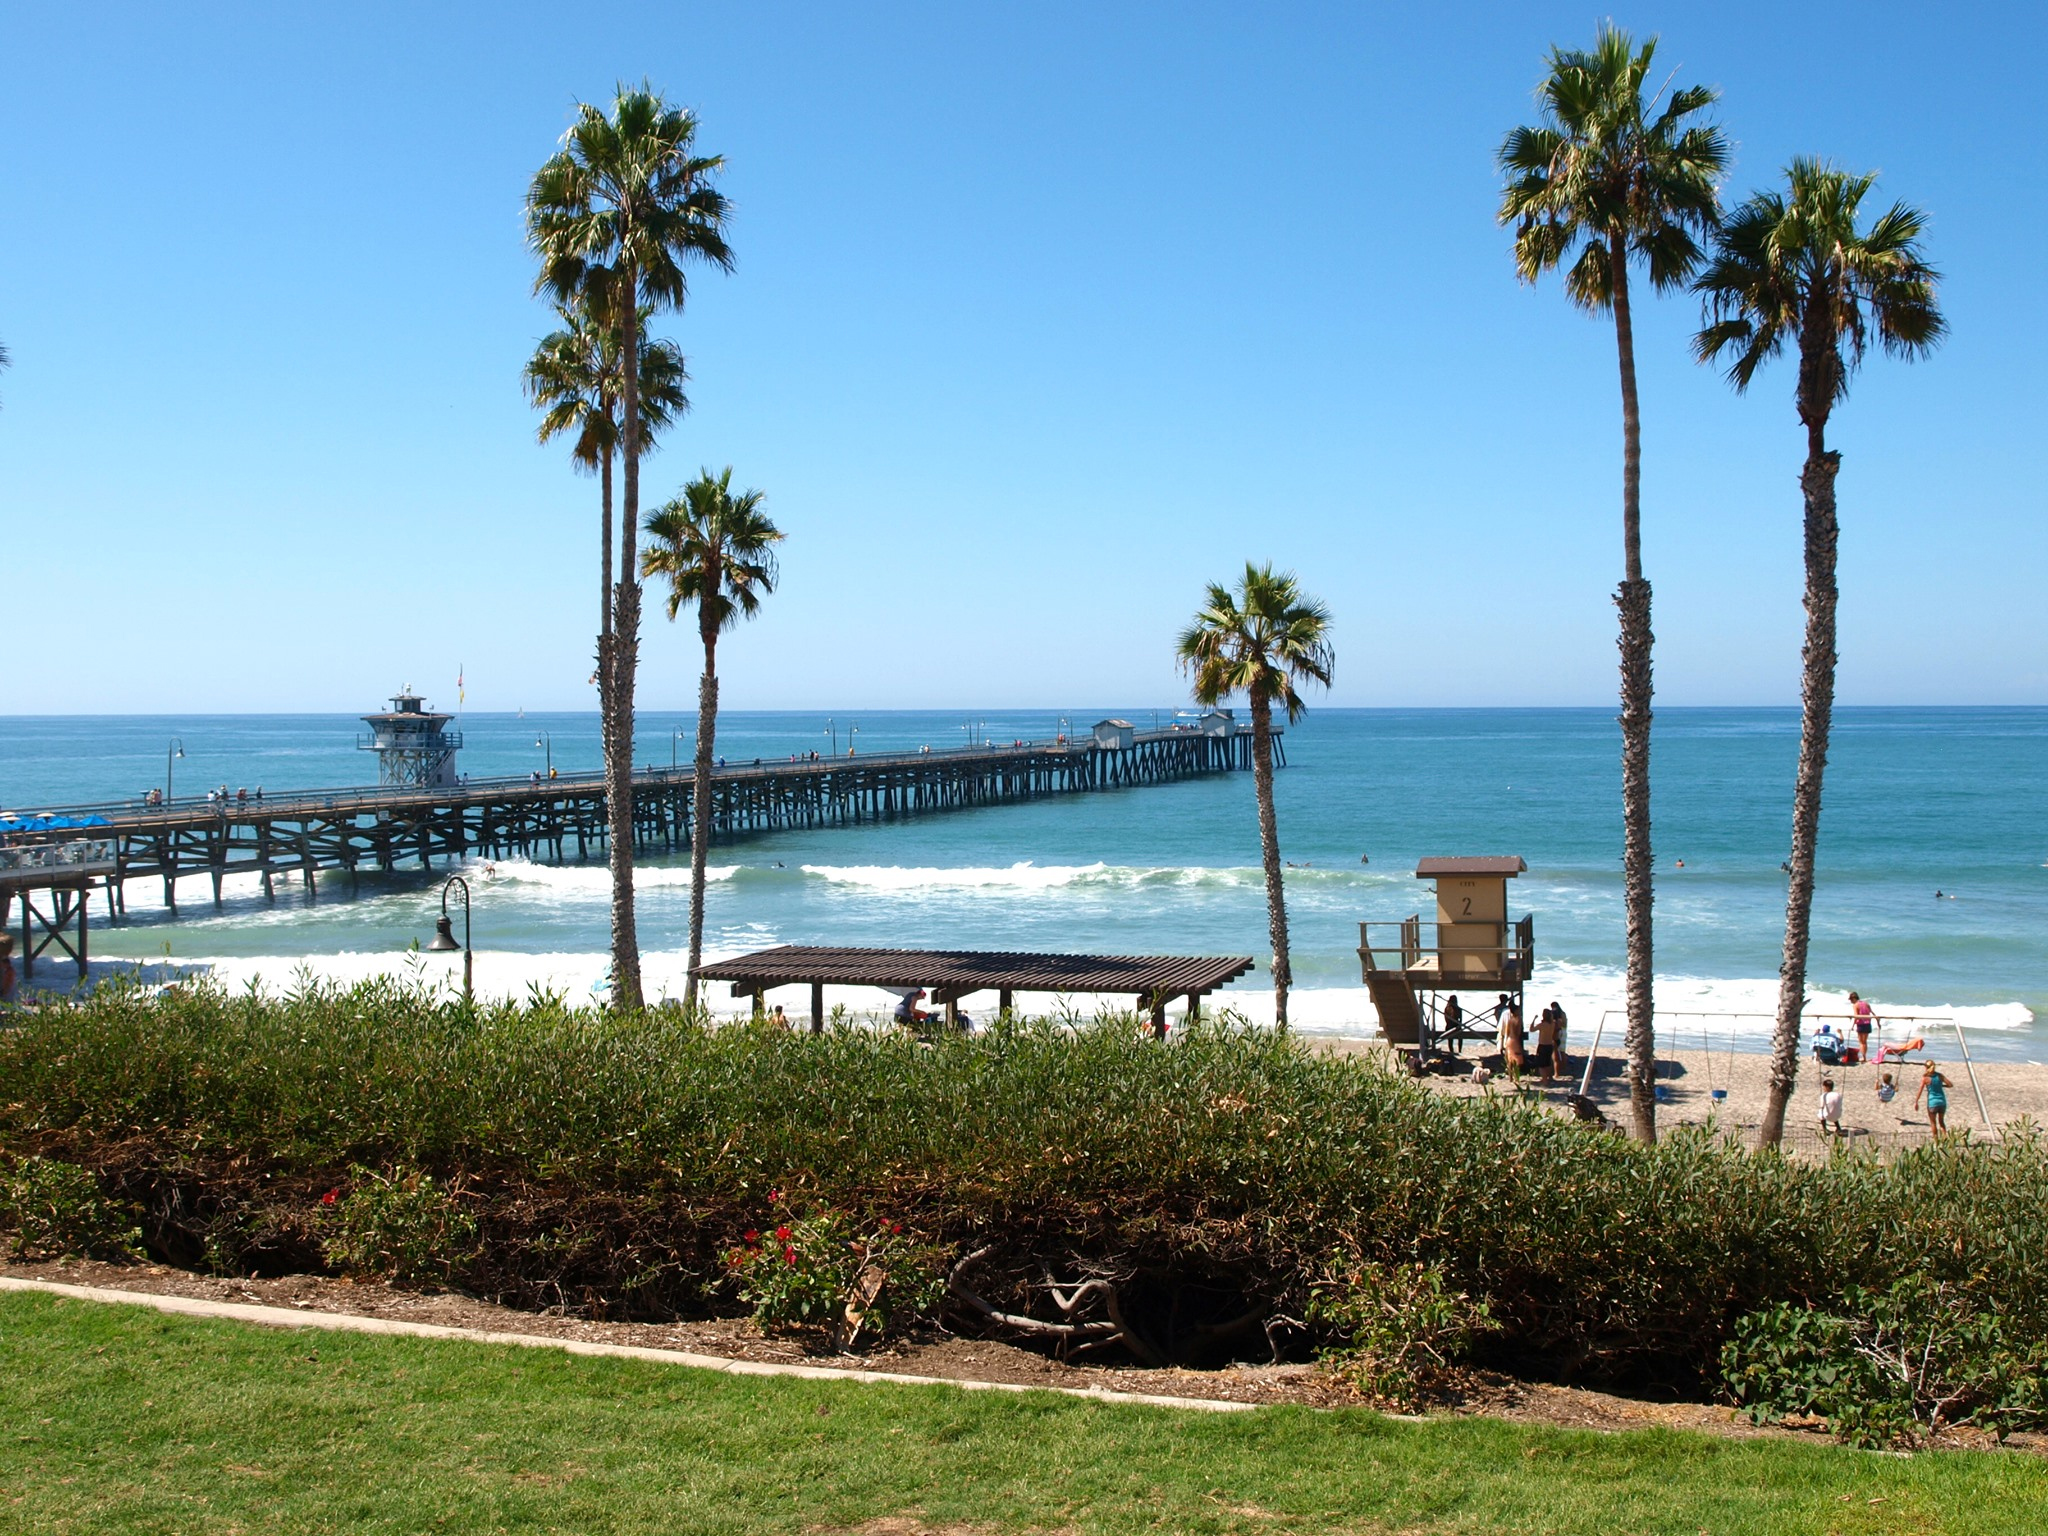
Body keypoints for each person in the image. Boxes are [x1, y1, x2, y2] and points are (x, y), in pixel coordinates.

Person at [1913, 1061, 1952, 1138]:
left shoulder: (1925, 1078)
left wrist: (1916, 1101)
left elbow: (1920, 1090)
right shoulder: (1940, 1075)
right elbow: (1950, 1084)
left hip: (1932, 1102)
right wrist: (1941, 1086)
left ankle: (1936, 1140)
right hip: (1942, 1101)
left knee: (1933, 1122)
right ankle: (1945, 1138)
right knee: (1941, 1122)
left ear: (1926, 1067)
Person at [1501, 999, 1526, 1083]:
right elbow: (1518, 1032)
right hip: (1515, 1040)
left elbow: (1507, 1031)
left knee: (1510, 1059)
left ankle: (1511, 1077)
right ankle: (1516, 1077)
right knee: (1517, 1060)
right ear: (1515, 1011)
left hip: (1509, 1040)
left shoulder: (1510, 1019)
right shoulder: (1518, 1019)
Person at [1535, 1003, 1560, 1083]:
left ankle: (1544, 1079)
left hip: (1542, 1045)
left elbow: (1531, 1029)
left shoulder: (1542, 1025)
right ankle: (1549, 1077)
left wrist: (1534, 1019)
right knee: (1548, 1062)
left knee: (1541, 1063)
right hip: (1549, 1045)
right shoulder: (1553, 1024)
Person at [1849, 991, 1875, 1063]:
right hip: (1868, 1024)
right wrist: (1878, 1022)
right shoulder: (1866, 1003)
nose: (1851, 1001)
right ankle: (1864, 1056)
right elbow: (1872, 1013)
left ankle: (1864, 1057)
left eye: (1851, 999)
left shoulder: (1856, 1005)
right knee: (1865, 1042)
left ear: (1854, 998)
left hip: (1861, 1024)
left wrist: (1853, 1025)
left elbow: (1856, 1016)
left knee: (1861, 1042)